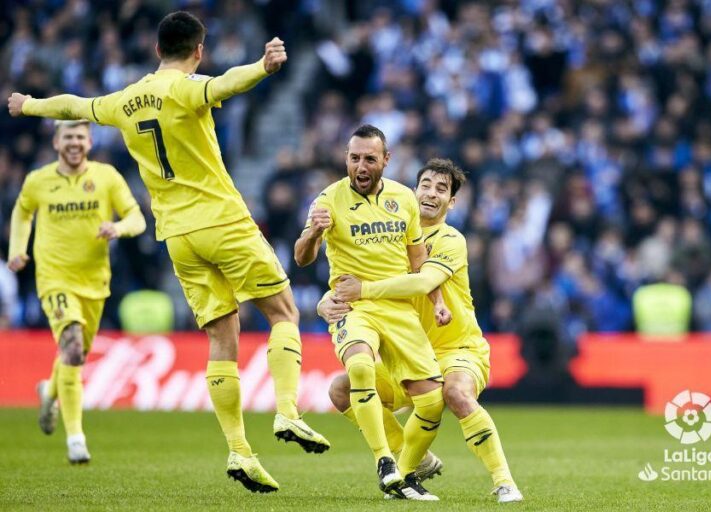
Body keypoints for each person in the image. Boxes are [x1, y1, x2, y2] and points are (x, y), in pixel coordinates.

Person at [8, 11, 329, 493]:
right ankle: (287, 413)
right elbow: (223, 86)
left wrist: (30, 104)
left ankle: (240, 450)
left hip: (177, 236)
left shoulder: (125, 100)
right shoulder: (186, 87)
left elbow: (76, 105)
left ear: (157, 50)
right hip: (222, 220)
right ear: (198, 51)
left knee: (223, 334)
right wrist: (263, 66)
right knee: (283, 312)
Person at [322, 158, 524, 503]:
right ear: (414, 191)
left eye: (441, 189)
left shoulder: (450, 240)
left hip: (458, 348)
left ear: (452, 202)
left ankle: (504, 481)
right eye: (426, 185)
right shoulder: (390, 235)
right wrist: (325, 300)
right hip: (410, 351)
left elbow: (424, 281)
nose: (431, 193)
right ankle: (413, 459)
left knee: (456, 394)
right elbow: (356, 274)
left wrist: (364, 291)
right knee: (341, 389)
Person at [294, 125, 448, 500]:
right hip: (353, 304)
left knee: (431, 400)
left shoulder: (404, 199)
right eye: (354, 158)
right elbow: (301, 257)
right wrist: (313, 233)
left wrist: (438, 300)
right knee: (359, 366)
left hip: (398, 307)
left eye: (369, 159)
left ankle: (410, 468)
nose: (360, 166)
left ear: (385, 160)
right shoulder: (328, 199)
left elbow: (418, 260)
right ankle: (385, 462)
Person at [7, 120, 146, 464]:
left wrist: (118, 227)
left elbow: (137, 217)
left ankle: (49, 390)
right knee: (70, 345)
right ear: (56, 142)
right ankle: (75, 439)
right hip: (54, 278)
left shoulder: (106, 177)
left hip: (94, 281)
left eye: (80, 137)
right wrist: (17, 248)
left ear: (90, 141)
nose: (74, 143)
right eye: (67, 137)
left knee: (75, 355)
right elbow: (22, 213)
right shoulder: (38, 181)